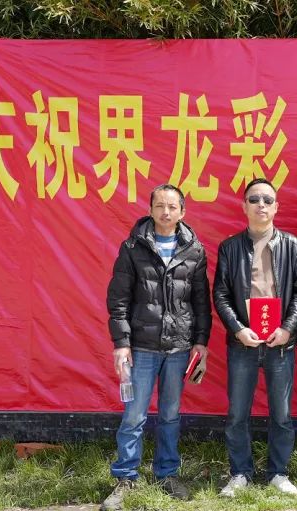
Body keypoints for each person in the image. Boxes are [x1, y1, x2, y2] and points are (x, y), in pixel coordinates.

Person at [102, 184, 211, 511]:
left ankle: (167, 473)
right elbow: (118, 299)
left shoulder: (194, 250)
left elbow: (201, 302)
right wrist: (121, 343)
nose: (166, 212)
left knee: (170, 415)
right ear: (150, 210)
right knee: (134, 414)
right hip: (142, 346)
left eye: (172, 207)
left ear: (182, 212)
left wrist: (201, 342)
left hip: (179, 347)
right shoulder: (133, 247)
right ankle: (126, 476)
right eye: (160, 206)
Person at [214, 178, 297, 497]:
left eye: (267, 200)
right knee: (237, 414)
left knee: (281, 414)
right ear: (244, 206)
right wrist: (238, 329)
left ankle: (278, 473)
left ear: (276, 207)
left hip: (280, 342)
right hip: (243, 341)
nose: (261, 205)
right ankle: (240, 473)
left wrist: (288, 328)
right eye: (254, 199)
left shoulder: (292, 246)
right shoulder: (230, 247)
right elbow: (221, 294)